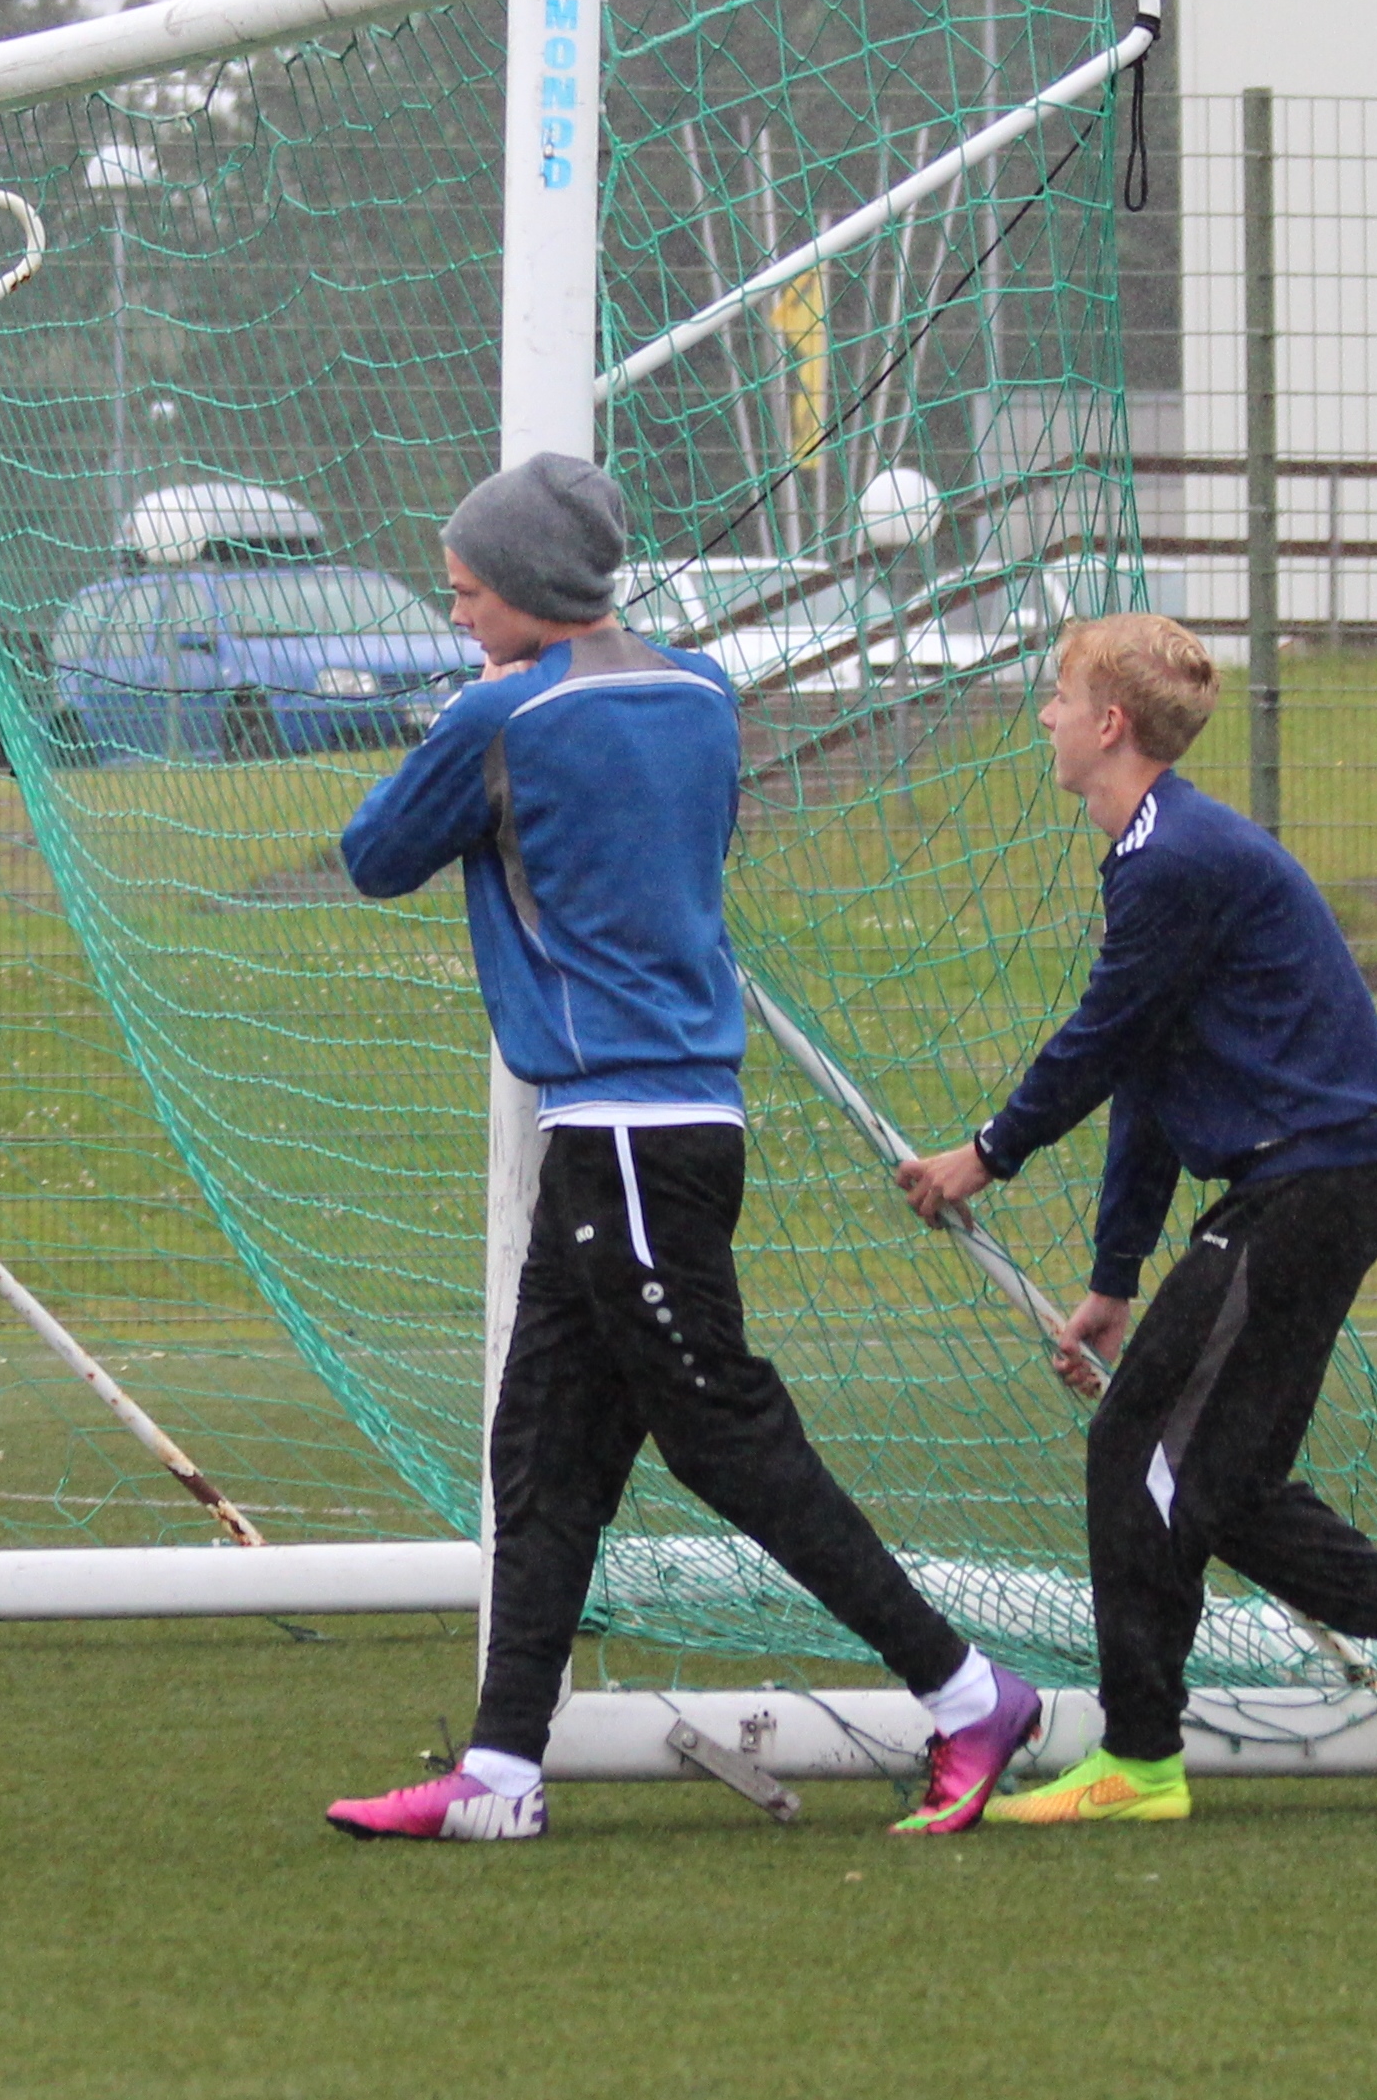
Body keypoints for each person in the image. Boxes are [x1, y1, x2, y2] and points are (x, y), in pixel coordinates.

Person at [322, 453, 1038, 1842]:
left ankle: (965, 1693)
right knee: (544, 1446)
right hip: (657, 1126)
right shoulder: (704, 691)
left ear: (530, 587)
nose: (456, 611)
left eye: (467, 589)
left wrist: (466, 725)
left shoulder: (502, 715)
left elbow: (373, 855)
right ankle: (501, 1772)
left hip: (629, 1134)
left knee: (721, 1432)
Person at [893, 614, 1377, 1823]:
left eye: (1059, 698)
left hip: (1310, 1188)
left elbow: (1102, 1041)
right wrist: (1114, 1276)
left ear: (1109, 723)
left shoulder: (1171, 859)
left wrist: (986, 1155)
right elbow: (1149, 1073)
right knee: (1218, 1482)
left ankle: (1143, 1759)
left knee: (1141, 1453)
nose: (1046, 718)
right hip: (1306, 1187)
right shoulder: (1153, 855)